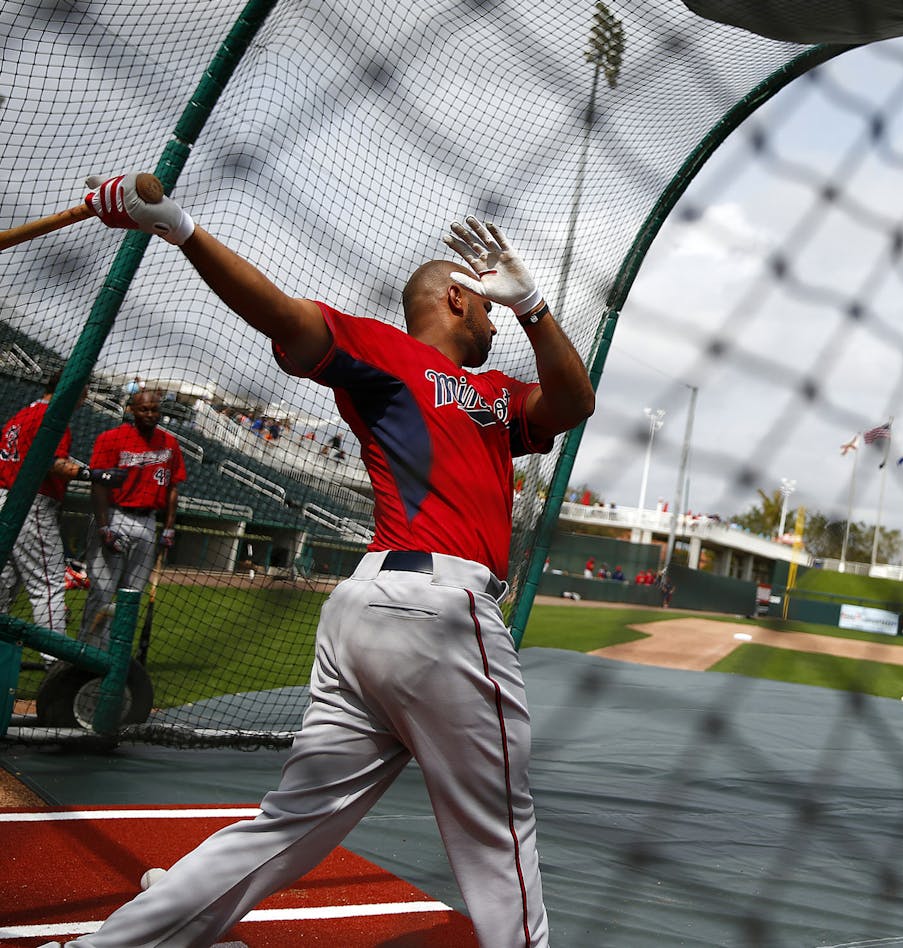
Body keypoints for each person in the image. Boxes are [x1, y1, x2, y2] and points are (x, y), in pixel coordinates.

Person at [55, 172, 594, 948]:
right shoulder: (383, 353)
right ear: (452, 300)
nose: (495, 323)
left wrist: (533, 307)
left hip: (370, 615)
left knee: (292, 823)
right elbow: (278, 311)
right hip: (437, 613)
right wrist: (177, 225)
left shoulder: (497, 398)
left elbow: (573, 405)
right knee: (500, 831)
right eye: (486, 306)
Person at [0, 371, 115, 641]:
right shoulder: (52, 416)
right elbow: (54, 464)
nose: (84, 398)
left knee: (5, 581)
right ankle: (55, 663)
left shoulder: (22, 414)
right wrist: (95, 474)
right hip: (29, 501)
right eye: (83, 391)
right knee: (49, 584)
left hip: (5, 497)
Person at [80, 389, 186, 650]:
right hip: (116, 516)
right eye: (144, 409)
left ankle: (116, 654)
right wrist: (104, 525)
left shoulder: (169, 443)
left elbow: (173, 487)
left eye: (155, 410)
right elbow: (99, 486)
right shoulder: (111, 438)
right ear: (131, 410)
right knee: (103, 593)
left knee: (131, 597)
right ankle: (88, 652)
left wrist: (169, 528)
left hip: (148, 522)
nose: (151, 415)